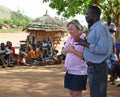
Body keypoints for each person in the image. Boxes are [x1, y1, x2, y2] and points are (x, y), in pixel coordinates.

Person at [75, 6, 113, 97]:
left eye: (88, 14)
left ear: (95, 15)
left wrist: (85, 44)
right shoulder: (95, 28)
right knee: (95, 93)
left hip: (97, 67)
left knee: (98, 94)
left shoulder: (99, 28)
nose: (86, 16)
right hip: (94, 67)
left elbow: (102, 49)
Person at [61, 19, 88, 97]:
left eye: (72, 29)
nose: (70, 31)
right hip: (69, 70)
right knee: (72, 93)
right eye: (68, 29)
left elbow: (84, 56)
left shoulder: (84, 40)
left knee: (77, 93)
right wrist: (67, 49)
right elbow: (63, 51)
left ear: (79, 29)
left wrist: (71, 50)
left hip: (79, 71)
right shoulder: (69, 38)